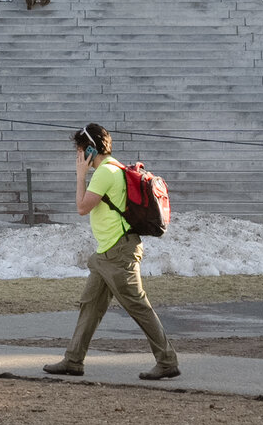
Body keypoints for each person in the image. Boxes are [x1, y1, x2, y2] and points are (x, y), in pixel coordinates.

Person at [44, 122, 180, 382]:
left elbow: (82, 208)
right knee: (90, 307)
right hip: (106, 253)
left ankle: (167, 361)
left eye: (80, 150)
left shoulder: (105, 173)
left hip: (118, 253)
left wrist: (80, 175)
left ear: (91, 150)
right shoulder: (114, 167)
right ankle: (73, 360)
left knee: (138, 306)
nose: (78, 156)